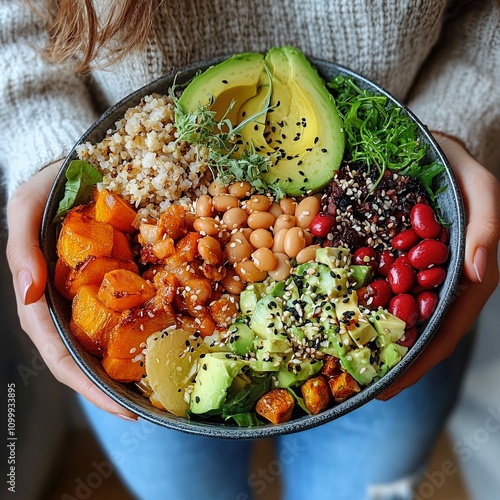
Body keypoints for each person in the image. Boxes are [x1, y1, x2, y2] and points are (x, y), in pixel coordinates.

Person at [2, 0, 499, 498]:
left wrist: (454, 123)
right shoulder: (190, 245)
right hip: (141, 369)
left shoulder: (278, 235)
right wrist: (44, 145)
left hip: (403, 360)